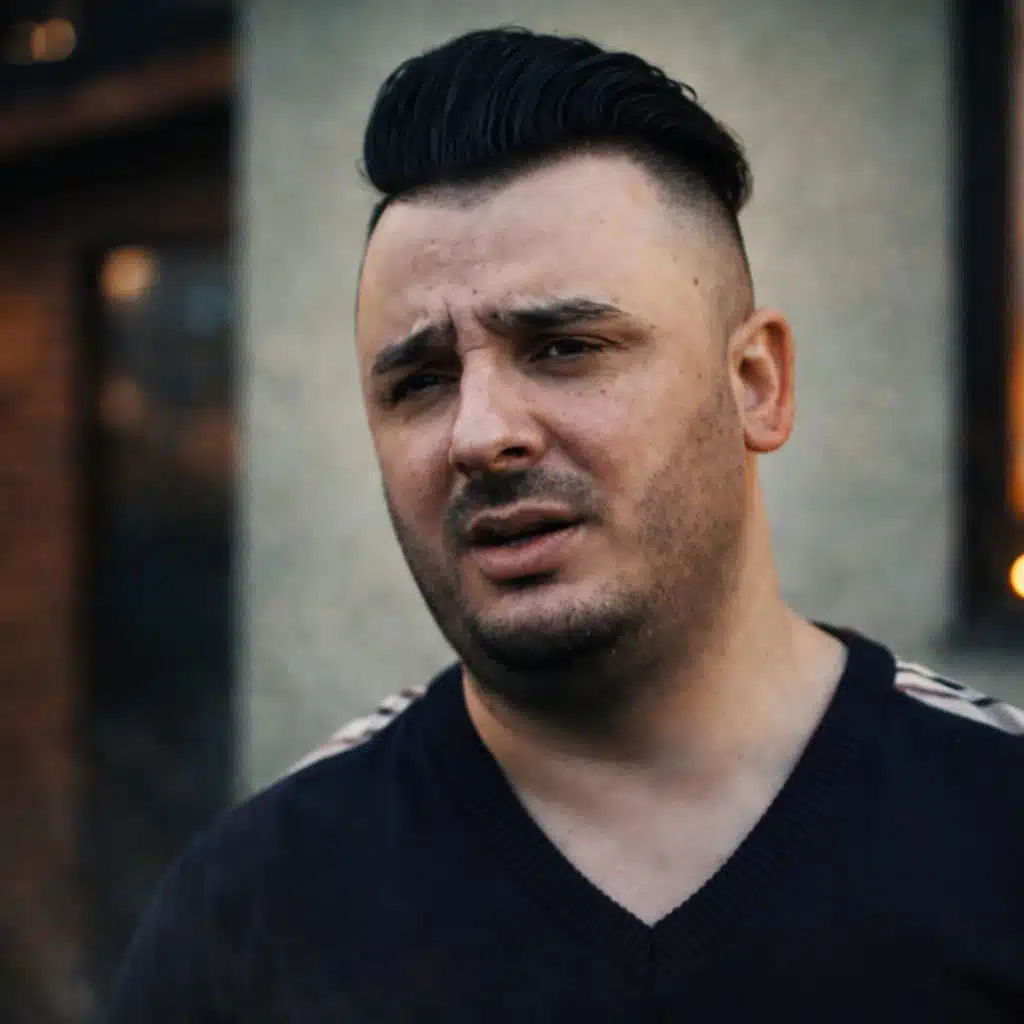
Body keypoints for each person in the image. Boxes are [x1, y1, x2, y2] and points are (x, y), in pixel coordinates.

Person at [108, 27, 1024, 1023]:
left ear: (756, 385)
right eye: (421, 382)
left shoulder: (995, 825)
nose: (479, 434)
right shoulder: (252, 912)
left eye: (565, 347)